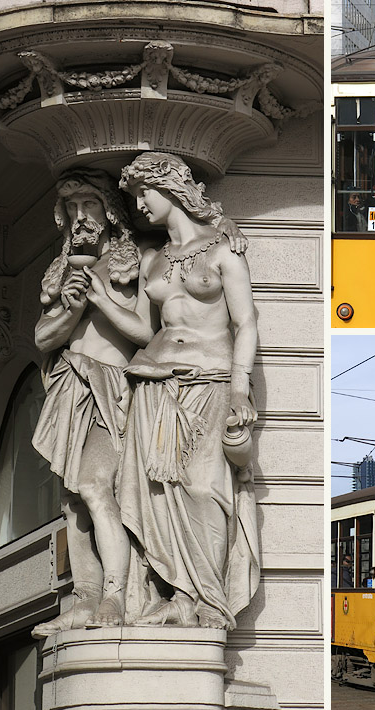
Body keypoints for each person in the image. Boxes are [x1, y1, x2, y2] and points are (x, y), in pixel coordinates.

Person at [116, 151, 261, 630]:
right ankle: (180, 595)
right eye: (134, 196)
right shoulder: (154, 261)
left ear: (172, 189)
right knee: (161, 493)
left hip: (211, 380)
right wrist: (96, 299)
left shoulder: (223, 248)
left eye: (145, 193)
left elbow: (245, 322)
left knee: (203, 487)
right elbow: (142, 327)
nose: (139, 205)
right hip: (156, 383)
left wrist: (241, 387)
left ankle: (211, 601)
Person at [31, 169, 152, 637]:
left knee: (97, 486)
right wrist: (72, 307)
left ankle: (117, 595)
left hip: (113, 390)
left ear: (110, 212)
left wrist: (101, 300)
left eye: (89, 206)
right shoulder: (62, 270)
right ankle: (84, 595)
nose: (80, 217)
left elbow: (145, 332)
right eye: (72, 209)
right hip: (68, 387)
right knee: (72, 501)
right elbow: (43, 337)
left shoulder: (136, 258)